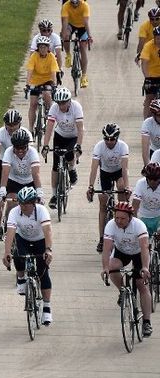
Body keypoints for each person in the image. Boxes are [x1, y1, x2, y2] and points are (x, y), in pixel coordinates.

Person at [2, 186, 54, 325]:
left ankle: (47, 307)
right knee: (18, 256)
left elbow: (48, 231)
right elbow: (11, 233)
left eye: (26, 204)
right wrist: (7, 252)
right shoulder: (15, 212)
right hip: (23, 239)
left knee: (43, 272)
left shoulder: (42, 211)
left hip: (40, 240)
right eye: (21, 203)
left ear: (33, 203)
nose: (23, 206)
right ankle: (21, 278)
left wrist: (48, 250)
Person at [101, 202, 152, 337]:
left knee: (141, 285)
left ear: (130, 217)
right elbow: (106, 249)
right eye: (117, 218)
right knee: (112, 268)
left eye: (122, 218)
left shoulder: (139, 225)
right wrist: (105, 268)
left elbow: (144, 248)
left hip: (138, 253)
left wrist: (145, 267)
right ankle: (122, 290)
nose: (119, 221)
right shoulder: (111, 225)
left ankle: (146, 322)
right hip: (121, 252)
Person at [86, 124, 130, 253]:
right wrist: (90, 186)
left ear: (117, 139)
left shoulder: (123, 146)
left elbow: (125, 169)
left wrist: (126, 187)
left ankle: (121, 214)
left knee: (121, 187)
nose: (109, 142)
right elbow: (94, 168)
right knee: (103, 204)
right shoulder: (99, 146)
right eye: (107, 139)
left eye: (112, 139)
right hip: (104, 173)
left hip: (118, 172)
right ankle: (101, 239)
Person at [0, 110, 33, 241]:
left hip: (19, 164)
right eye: (8, 124)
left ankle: (11, 222)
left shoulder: (26, 134)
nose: (10, 127)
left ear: (19, 124)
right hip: (4, 163)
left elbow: (30, 156)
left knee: (13, 201)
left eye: (14, 124)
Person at [41, 87, 84, 209]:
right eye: (59, 103)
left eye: (63, 103)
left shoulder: (76, 107)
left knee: (69, 154)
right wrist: (45, 145)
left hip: (73, 137)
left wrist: (79, 146)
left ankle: (71, 168)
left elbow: (80, 129)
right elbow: (49, 127)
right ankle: (54, 195)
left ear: (69, 101)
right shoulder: (54, 108)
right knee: (55, 166)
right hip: (60, 135)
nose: (61, 105)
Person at [0, 129, 44, 221]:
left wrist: (39, 192)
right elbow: (5, 172)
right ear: (13, 146)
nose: (20, 151)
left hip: (29, 181)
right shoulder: (8, 152)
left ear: (27, 146)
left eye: (23, 148)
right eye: (17, 148)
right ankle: (7, 222)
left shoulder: (33, 152)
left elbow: (35, 173)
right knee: (12, 203)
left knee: (35, 207)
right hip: (14, 181)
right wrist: (2, 189)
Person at [26, 35, 58, 133]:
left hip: (47, 80)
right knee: (33, 104)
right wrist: (27, 84)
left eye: (44, 47)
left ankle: (49, 112)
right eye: (40, 47)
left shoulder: (51, 57)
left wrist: (54, 85)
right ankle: (31, 128)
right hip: (35, 81)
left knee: (46, 93)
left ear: (48, 48)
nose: (42, 49)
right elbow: (30, 71)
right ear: (38, 48)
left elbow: (53, 73)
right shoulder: (34, 56)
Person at [61, 0, 93, 88]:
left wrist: (89, 36)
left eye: (76, 3)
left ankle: (84, 76)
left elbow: (86, 22)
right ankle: (68, 55)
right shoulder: (66, 6)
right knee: (66, 35)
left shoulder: (85, 5)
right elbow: (65, 23)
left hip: (82, 27)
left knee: (83, 48)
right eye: (72, 3)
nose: (74, 5)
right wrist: (63, 37)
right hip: (71, 25)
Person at [132, 163, 160, 238]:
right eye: (149, 178)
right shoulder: (140, 183)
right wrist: (135, 224)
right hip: (143, 218)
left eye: (155, 179)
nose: (152, 181)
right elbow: (135, 207)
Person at [140, 27, 160, 118]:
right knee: (149, 98)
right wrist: (147, 78)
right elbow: (144, 63)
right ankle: (146, 123)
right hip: (152, 76)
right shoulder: (148, 45)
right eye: (158, 38)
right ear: (154, 37)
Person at [141, 99, 160, 165]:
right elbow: (145, 151)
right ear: (154, 115)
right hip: (154, 150)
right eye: (159, 115)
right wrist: (147, 167)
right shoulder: (147, 123)